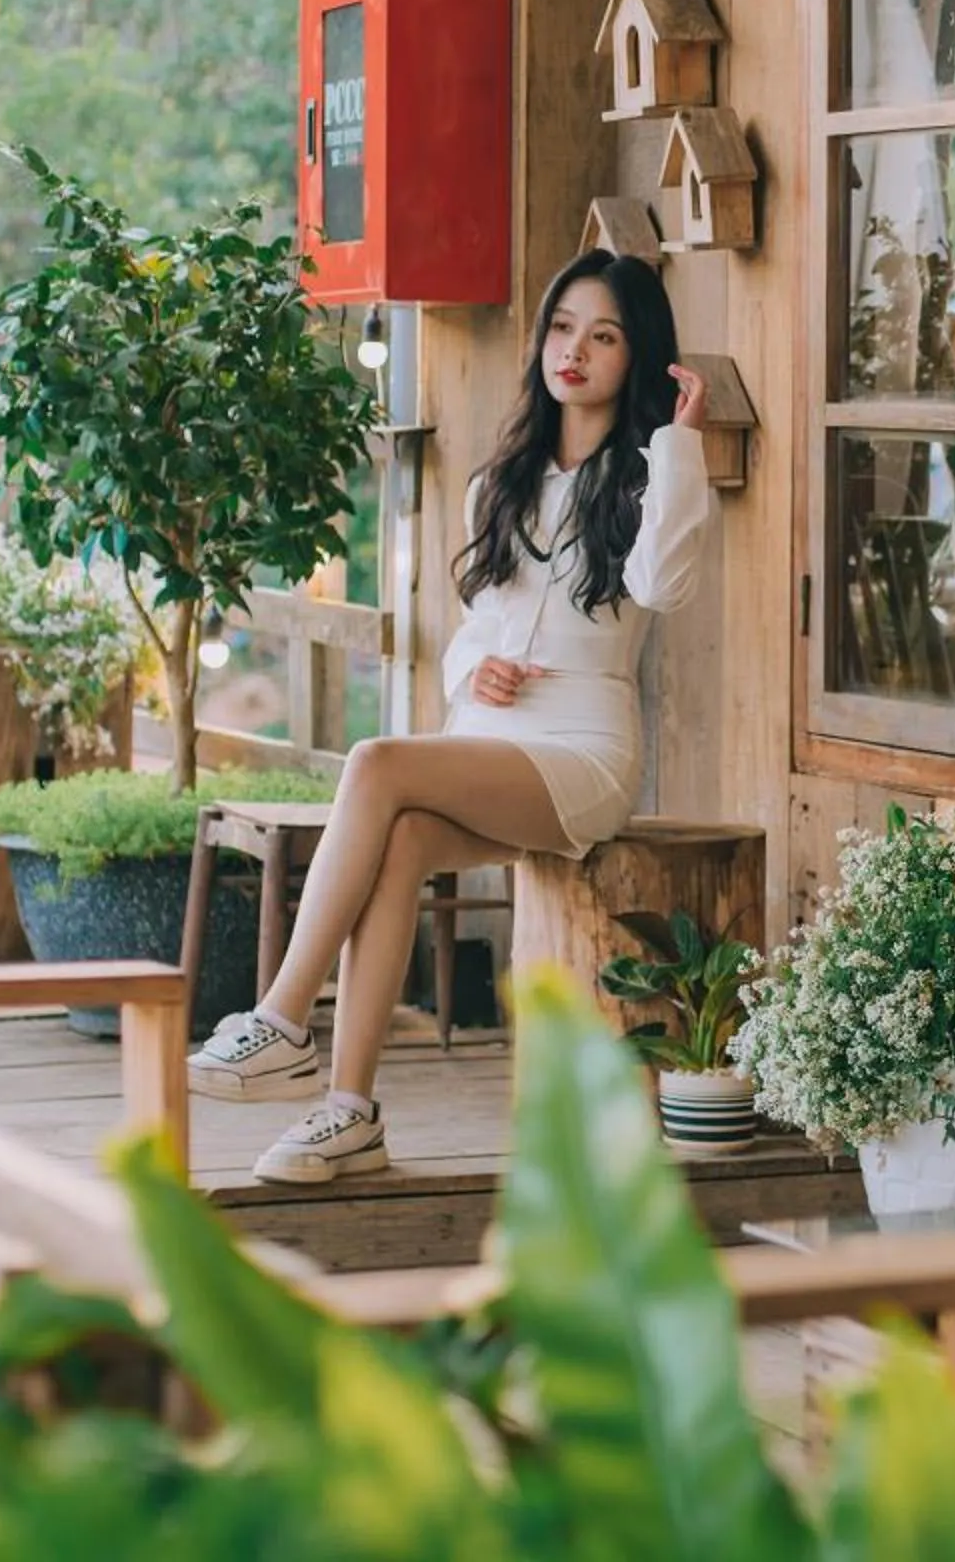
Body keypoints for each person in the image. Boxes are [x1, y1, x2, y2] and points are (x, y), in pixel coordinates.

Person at [186, 249, 715, 1184]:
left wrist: (677, 443)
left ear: (638, 357)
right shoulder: (501, 481)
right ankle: (348, 1111)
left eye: (604, 336)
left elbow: (662, 586)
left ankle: (279, 1019)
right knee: (397, 846)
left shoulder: (646, 479)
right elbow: (471, 635)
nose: (576, 353)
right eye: (562, 329)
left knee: (379, 762)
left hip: (582, 752)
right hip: (492, 739)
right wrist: (485, 673)